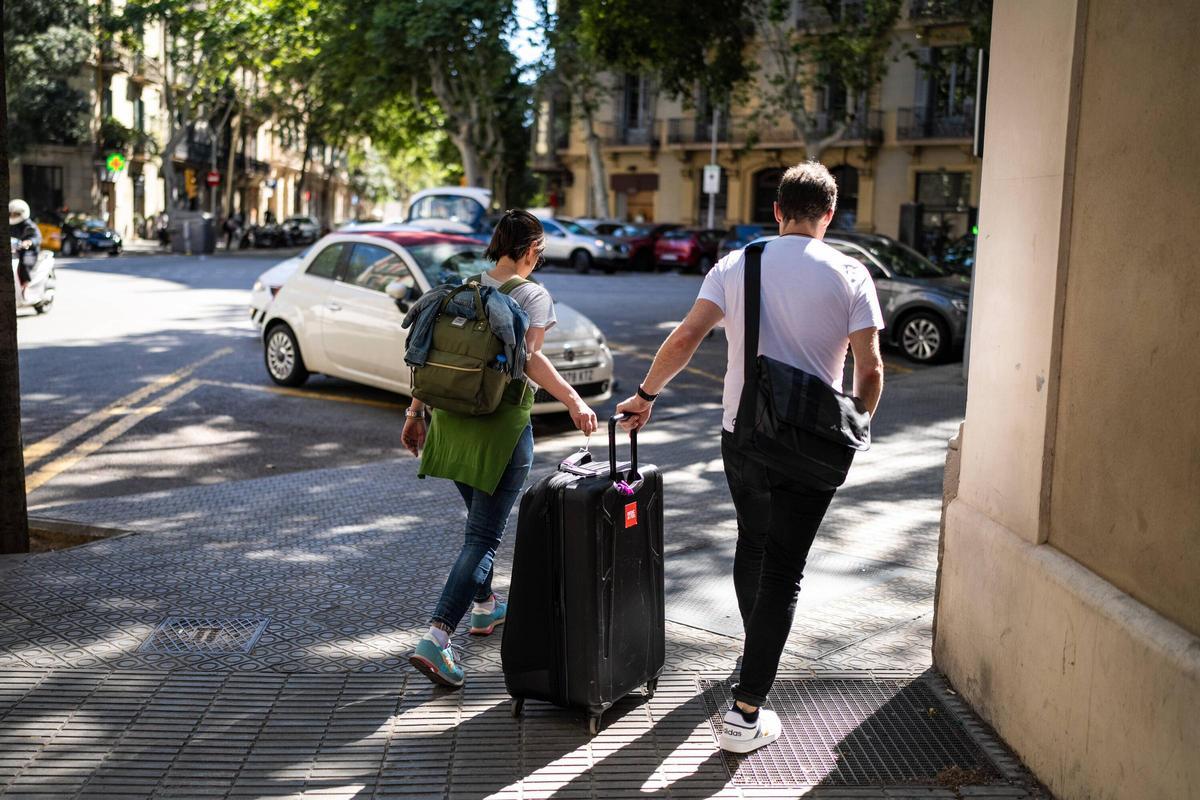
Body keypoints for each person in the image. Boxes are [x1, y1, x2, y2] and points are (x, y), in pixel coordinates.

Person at [615, 161, 886, 753]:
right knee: (784, 570)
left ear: (777, 211)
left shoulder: (739, 264)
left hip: (745, 437)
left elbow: (686, 338)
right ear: (831, 215)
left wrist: (645, 395)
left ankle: (752, 654)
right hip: (814, 446)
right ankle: (746, 710)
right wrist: (855, 424)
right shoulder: (851, 273)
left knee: (753, 543)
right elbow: (870, 369)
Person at [401, 209, 600, 689]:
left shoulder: (465, 286)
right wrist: (574, 400)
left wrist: (413, 413)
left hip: (449, 424)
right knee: (483, 539)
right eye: (540, 252)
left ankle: (486, 609)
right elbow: (530, 360)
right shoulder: (532, 294)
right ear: (531, 250)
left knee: (477, 527)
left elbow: (433, 356)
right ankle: (437, 637)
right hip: (501, 430)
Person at [9, 200, 42, 292]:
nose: (12, 216)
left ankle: (25, 285)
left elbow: (36, 237)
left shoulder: (29, 225)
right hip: (13, 249)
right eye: (10, 214)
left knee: (25, 262)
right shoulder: (9, 225)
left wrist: (29, 242)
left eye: (15, 214)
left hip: (27, 250)